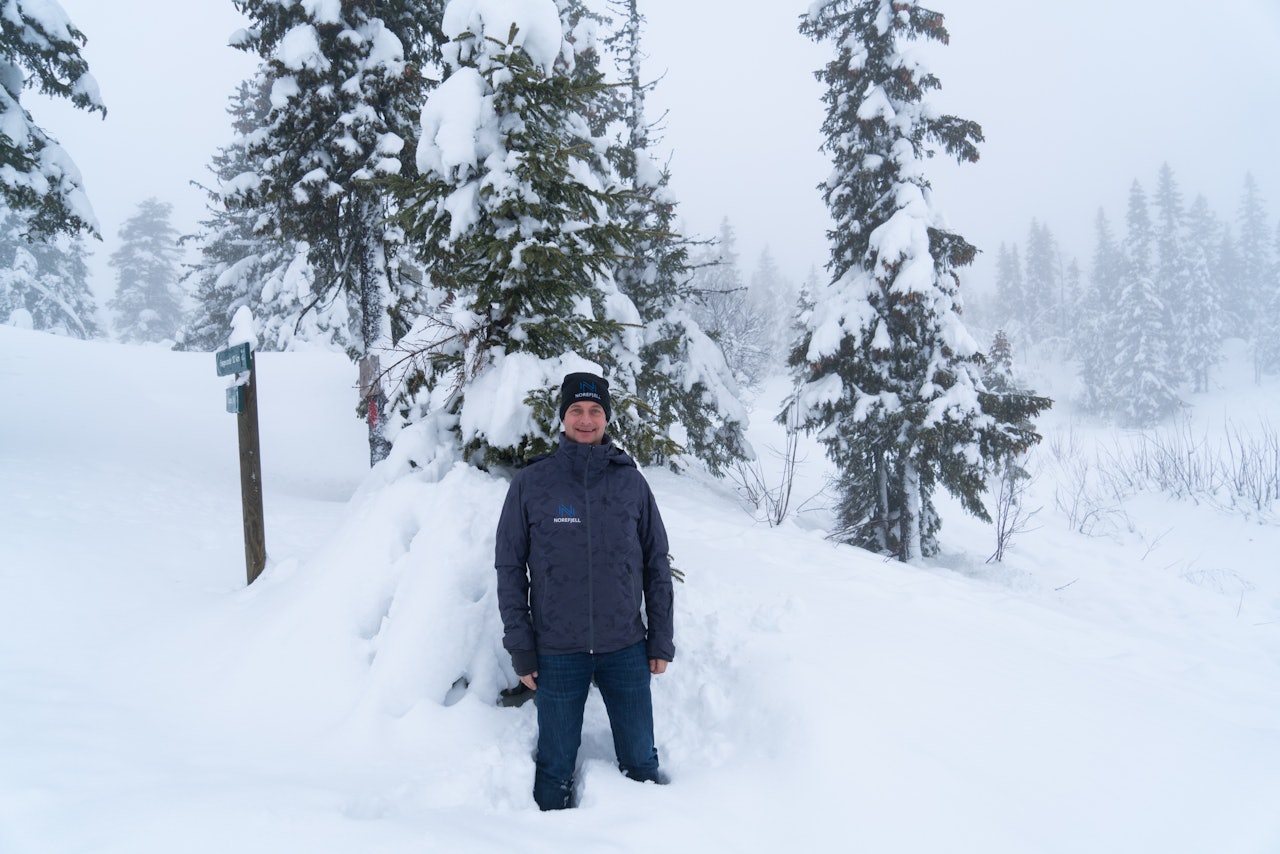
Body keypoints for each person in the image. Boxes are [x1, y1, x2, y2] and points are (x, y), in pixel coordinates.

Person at [495, 371, 675, 811]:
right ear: (563, 416)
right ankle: (546, 838)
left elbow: (656, 564)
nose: (586, 419)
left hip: (625, 649)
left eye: (595, 410)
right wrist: (522, 647)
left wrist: (660, 639)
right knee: (554, 768)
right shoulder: (532, 483)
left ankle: (651, 835)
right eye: (576, 409)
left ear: (606, 418)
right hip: (557, 652)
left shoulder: (631, 483)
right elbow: (510, 568)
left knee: (641, 762)